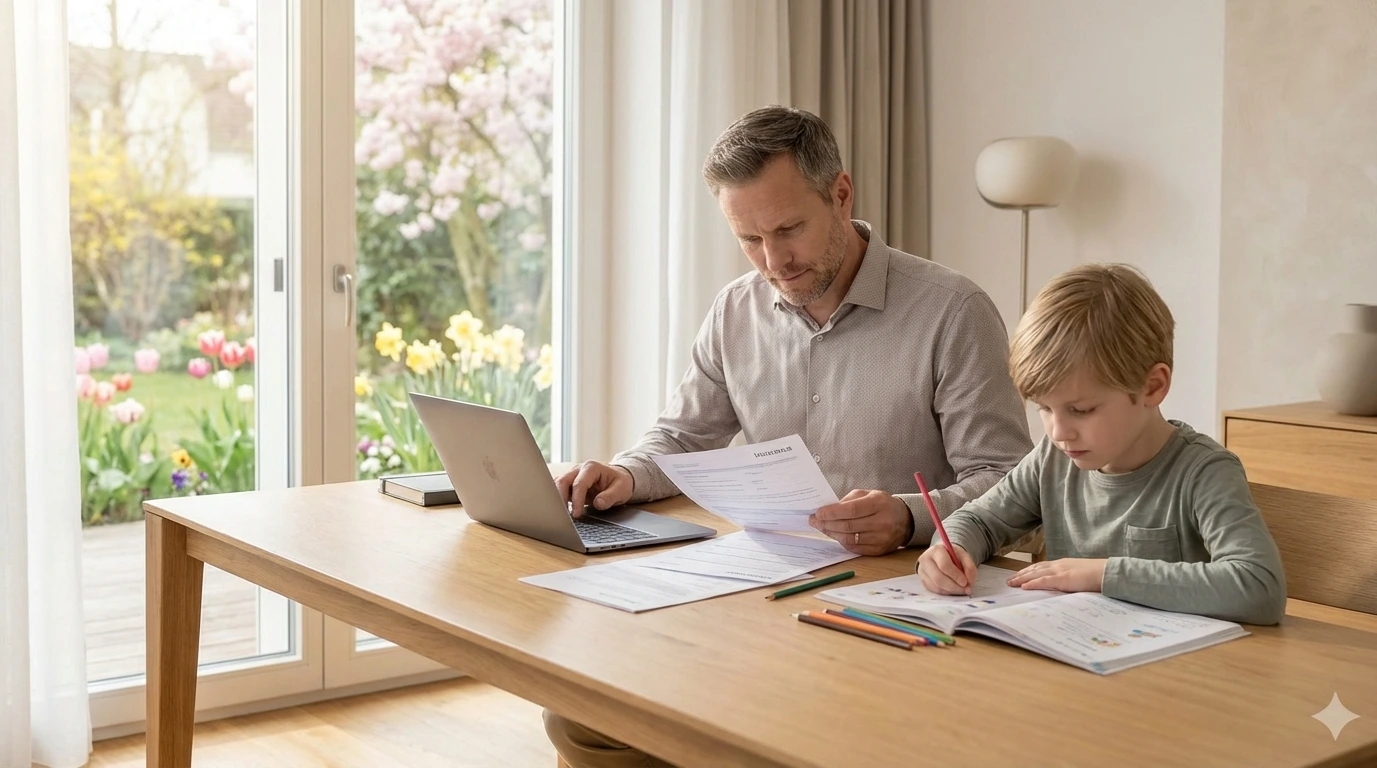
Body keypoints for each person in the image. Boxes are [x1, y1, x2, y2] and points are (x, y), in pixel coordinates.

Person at [544, 105, 1032, 767]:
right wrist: (626, 476)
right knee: (580, 715)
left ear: (840, 194)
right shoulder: (735, 309)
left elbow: (1009, 483)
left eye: (788, 229)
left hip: (894, 601)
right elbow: (684, 434)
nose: (773, 260)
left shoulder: (951, 311)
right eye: (748, 239)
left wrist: (907, 517)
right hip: (761, 590)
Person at [918, 263, 1287, 626]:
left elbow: (1259, 586)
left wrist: (1103, 574)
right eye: (1045, 408)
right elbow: (978, 520)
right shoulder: (1053, 458)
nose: (1059, 431)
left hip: (1175, 674)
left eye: (1081, 409)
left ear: (1152, 387)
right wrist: (949, 550)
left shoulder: (1204, 473)